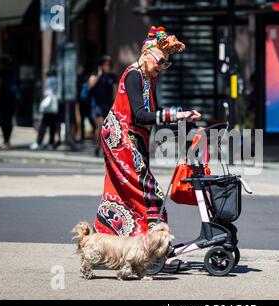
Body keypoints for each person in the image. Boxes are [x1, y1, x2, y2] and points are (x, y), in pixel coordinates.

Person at [93, 26, 201, 272]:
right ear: (146, 54)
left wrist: (183, 120)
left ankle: (106, 248)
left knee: (122, 195)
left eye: (166, 64)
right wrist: (176, 115)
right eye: (161, 61)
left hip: (133, 138)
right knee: (151, 194)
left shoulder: (148, 79)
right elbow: (142, 115)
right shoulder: (133, 75)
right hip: (121, 139)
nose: (161, 67)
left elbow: (155, 115)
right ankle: (154, 252)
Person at [88, 55, 117, 156]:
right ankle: (97, 145)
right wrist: (99, 75)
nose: (107, 67)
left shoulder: (112, 77)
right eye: (105, 64)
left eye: (109, 65)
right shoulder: (95, 75)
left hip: (108, 104)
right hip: (96, 104)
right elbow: (90, 85)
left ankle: (104, 147)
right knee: (100, 125)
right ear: (101, 65)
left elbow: (115, 91)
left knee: (107, 127)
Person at [0, 55, 19, 150]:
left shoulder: (0, 72)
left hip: (3, 98)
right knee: (8, 120)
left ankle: (6, 140)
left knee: (3, 120)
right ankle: (7, 141)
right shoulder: (12, 71)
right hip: (12, 99)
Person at [30, 68, 59, 150]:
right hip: (54, 107)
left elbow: (47, 93)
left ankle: (39, 142)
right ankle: (51, 143)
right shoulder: (57, 80)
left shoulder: (48, 80)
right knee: (52, 126)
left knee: (43, 125)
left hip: (48, 107)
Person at [76, 65, 96, 143]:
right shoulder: (88, 78)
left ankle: (82, 137)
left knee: (82, 119)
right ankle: (95, 131)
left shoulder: (79, 79)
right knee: (90, 118)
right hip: (87, 102)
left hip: (82, 102)